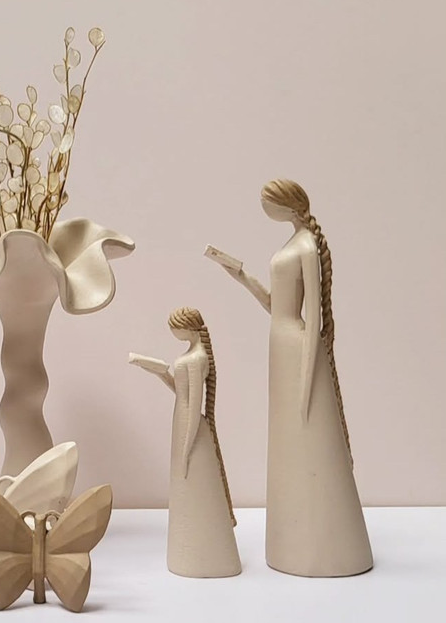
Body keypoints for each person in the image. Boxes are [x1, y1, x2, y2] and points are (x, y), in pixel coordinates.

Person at [209, 179, 372, 576]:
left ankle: (323, 547)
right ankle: (290, 544)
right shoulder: (293, 243)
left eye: (267, 201)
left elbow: (313, 316)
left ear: (286, 204)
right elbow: (277, 305)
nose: (263, 207)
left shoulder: (306, 247)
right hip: (281, 344)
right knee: (286, 439)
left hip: (297, 347)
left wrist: (308, 376)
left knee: (308, 431)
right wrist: (241, 274)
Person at [130, 307, 240, 578]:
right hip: (181, 419)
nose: (172, 333)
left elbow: (194, 406)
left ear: (186, 328)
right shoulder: (190, 356)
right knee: (186, 485)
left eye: (174, 328)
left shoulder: (196, 359)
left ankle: (204, 556)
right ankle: (188, 553)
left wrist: (187, 446)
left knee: (192, 479)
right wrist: (158, 372)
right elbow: (182, 394)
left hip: (187, 425)